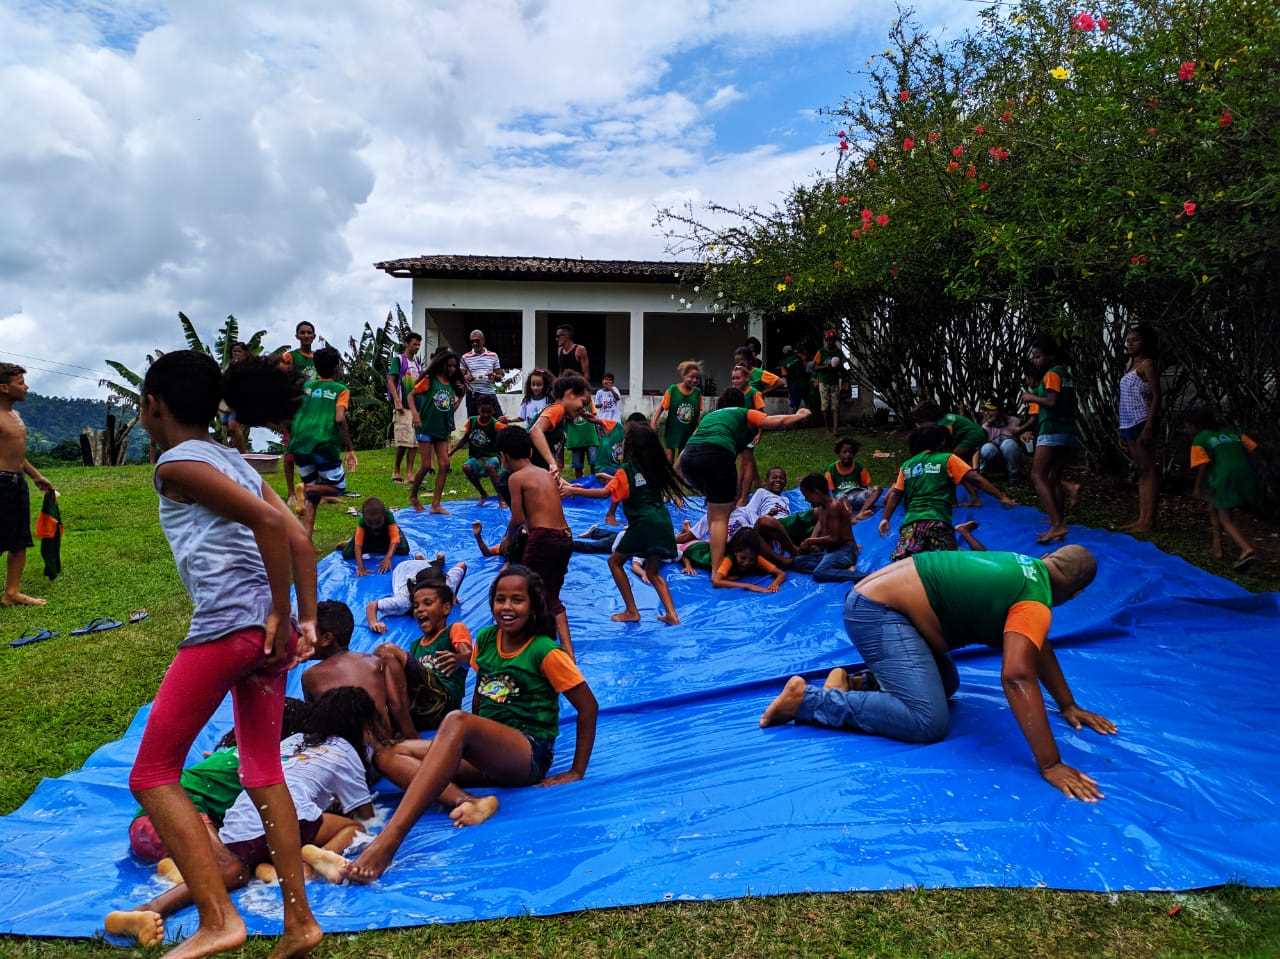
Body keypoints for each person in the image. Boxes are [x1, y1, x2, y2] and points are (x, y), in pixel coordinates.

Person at [120, 350, 322, 957]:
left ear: (153, 404)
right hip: (265, 639)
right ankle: (299, 923)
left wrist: (282, 614)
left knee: (152, 774)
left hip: (230, 631)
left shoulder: (175, 464)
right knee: (261, 768)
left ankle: (218, 920)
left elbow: (266, 521)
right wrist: (301, 621)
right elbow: (300, 541)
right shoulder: (232, 460)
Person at [760, 546, 1116, 803]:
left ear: (1049, 558)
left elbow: (1039, 647)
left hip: (882, 604)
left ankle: (855, 682)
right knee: (927, 721)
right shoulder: (1035, 597)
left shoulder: (1025, 568)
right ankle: (808, 700)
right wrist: (1051, 763)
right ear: (1078, 591)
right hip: (878, 611)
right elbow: (1017, 676)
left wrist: (1068, 704)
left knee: (947, 684)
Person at [346, 565, 598, 883]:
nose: (507, 607)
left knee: (457, 721)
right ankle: (470, 802)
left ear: (533, 605)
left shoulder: (545, 651)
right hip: (484, 753)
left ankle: (390, 839)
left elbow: (588, 707)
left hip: (525, 753)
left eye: (517, 600)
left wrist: (577, 771)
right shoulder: (487, 638)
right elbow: (480, 691)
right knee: (387, 754)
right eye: (500, 599)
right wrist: (466, 738)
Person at [106, 688, 379, 949]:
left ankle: (276, 861)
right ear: (363, 727)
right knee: (230, 870)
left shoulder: (287, 744)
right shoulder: (345, 751)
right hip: (189, 809)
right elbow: (366, 816)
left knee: (240, 862)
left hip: (226, 825)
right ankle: (150, 909)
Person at [127, 699, 315, 869]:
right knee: (233, 867)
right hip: (182, 815)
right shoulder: (270, 766)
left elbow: (215, 763)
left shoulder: (231, 753)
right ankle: (172, 869)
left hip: (144, 822)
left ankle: (173, 864)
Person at [678, 388, 810, 576]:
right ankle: (717, 570)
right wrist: (800, 414)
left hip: (690, 464)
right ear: (741, 404)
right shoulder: (742, 412)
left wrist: (673, 478)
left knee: (715, 508)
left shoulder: (708, 418)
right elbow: (777, 421)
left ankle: (710, 530)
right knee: (719, 517)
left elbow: (686, 450)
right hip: (716, 457)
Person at [568, 423, 686, 625]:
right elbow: (633, 483)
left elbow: (605, 493)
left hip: (643, 524)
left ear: (629, 446)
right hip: (662, 522)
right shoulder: (654, 467)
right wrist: (609, 478)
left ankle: (632, 611)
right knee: (653, 571)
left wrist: (574, 490)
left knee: (614, 562)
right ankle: (672, 615)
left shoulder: (626, 471)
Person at [498, 426, 576, 657]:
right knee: (551, 594)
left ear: (503, 457)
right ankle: (568, 652)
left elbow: (519, 517)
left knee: (526, 590)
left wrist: (507, 537)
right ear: (531, 453)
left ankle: (529, 644)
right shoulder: (545, 473)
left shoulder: (516, 478)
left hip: (543, 538)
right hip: (565, 537)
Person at [880, 426, 1011, 560]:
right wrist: (1001, 496)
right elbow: (976, 479)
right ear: (941, 442)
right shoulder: (947, 459)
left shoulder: (907, 465)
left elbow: (896, 493)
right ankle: (963, 532)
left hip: (911, 524)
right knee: (948, 565)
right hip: (937, 521)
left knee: (901, 564)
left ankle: (962, 532)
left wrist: (885, 518)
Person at [285, 346, 358, 536]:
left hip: (299, 443)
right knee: (338, 488)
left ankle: (306, 537)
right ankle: (304, 488)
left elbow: (292, 411)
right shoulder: (340, 390)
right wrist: (350, 448)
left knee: (313, 496)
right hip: (323, 444)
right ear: (337, 367)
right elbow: (340, 418)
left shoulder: (306, 387)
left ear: (316, 367)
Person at [0, 364, 55, 607]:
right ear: (3, 387)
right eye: (20, 382)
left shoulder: (15, 416)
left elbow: (17, 455)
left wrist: (35, 476)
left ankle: (11, 593)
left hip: (16, 482)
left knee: (19, 540)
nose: (26, 386)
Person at [1019, 335, 1081, 544]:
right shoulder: (1066, 374)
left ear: (1050, 356)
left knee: (1037, 475)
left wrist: (1030, 397)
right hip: (1068, 430)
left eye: (1038, 356)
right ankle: (1059, 519)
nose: (1035, 360)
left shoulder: (1052, 374)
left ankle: (1057, 524)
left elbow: (1051, 402)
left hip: (1052, 428)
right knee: (1054, 477)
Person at [1188, 407, 1261, 569]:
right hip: (1245, 473)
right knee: (1217, 505)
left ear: (1195, 425)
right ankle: (1217, 547)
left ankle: (1246, 549)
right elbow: (1254, 448)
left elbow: (1202, 465)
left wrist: (1197, 487)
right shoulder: (1232, 431)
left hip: (1223, 477)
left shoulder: (1200, 439)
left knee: (1224, 518)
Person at [410, 350, 466, 515]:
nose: (452, 369)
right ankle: (413, 496)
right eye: (449, 365)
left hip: (441, 429)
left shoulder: (451, 385)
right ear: (441, 364)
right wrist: (415, 414)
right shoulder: (429, 380)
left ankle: (436, 503)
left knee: (444, 464)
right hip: (425, 427)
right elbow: (410, 396)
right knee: (426, 465)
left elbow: (450, 408)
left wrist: (461, 397)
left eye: (454, 366)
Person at [1119, 324, 1162, 533]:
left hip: (1140, 421)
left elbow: (1156, 395)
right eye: (1128, 340)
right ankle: (1141, 518)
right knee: (1142, 471)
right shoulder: (1130, 364)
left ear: (1145, 342)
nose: (1130, 343)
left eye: (1134, 340)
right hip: (1127, 423)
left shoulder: (1147, 364)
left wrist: (1149, 425)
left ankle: (1148, 520)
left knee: (1148, 470)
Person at [366, 552, 467, 634]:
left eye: (428, 603)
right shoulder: (403, 601)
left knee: (433, 568)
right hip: (404, 568)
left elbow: (462, 565)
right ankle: (421, 560)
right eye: (422, 604)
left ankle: (424, 560)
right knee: (429, 567)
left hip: (424, 567)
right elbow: (372, 605)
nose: (421, 610)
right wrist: (373, 623)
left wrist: (453, 596)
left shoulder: (448, 585)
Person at [787, 474, 862, 582]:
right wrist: (812, 543)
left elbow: (834, 538)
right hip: (829, 551)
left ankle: (862, 576)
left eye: (807, 496)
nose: (806, 500)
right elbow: (821, 526)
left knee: (819, 573)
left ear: (817, 493)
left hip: (845, 551)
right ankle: (835, 568)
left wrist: (810, 541)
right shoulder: (821, 508)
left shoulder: (834, 506)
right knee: (796, 562)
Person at [913, 402, 988, 507]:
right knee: (958, 467)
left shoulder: (944, 422)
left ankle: (963, 498)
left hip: (972, 437)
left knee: (952, 466)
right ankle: (971, 493)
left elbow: (945, 441)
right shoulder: (945, 418)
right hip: (972, 436)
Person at [529, 374, 591, 476]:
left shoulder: (562, 415)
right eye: (583, 403)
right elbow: (535, 431)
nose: (583, 409)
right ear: (570, 394)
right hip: (527, 472)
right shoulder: (558, 409)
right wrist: (552, 463)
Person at [693, 527, 786, 593]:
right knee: (692, 547)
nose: (746, 563)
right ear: (735, 552)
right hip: (700, 552)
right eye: (743, 558)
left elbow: (781, 573)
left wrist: (775, 584)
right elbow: (716, 581)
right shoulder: (729, 559)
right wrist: (748, 586)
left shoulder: (756, 557)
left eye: (751, 560)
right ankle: (688, 529)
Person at [451, 395, 506, 503]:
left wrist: (505, 458)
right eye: (482, 412)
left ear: (493, 411)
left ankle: (501, 497)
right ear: (478, 409)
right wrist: (451, 452)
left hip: (492, 457)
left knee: (489, 466)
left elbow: (503, 443)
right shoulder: (472, 421)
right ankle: (483, 493)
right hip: (476, 458)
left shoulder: (496, 425)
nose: (485, 415)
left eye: (488, 412)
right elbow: (464, 439)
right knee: (466, 467)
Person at [335, 496, 409, 575]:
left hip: (385, 537)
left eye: (378, 522)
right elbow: (358, 545)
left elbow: (394, 539)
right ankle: (349, 543)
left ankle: (380, 546)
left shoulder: (389, 517)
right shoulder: (362, 522)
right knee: (347, 554)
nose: (374, 526)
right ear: (364, 517)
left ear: (384, 515)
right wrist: (360, 567)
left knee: (404, 549)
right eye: (370, 523)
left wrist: (388, 557)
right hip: (369, 538)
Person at [386, 331, 423, 484]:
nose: (417, 347)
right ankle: (396, 470)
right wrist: (397, 401)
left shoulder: (418, 364)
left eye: (419, 344)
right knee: (403, 441)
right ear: (407, 344)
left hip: (416, 407)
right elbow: (390, 380)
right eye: (414, 344)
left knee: (414, 442)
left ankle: (409, 472)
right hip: (403, 406)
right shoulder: (398, 360)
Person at [651, 361, 703, 464]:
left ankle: (678, 478)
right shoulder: (673, 390)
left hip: (688, 432)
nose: (694, 380)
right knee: (669, 456)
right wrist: (653, 422)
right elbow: (661, 408)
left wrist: (698, 428)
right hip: (673, 431)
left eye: (697, 378)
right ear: (683, 375)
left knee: (682, 459)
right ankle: (668, 477)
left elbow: (698, 413)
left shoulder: (697, 393)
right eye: (691, 377)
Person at [825, 436, 881, 516]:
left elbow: (866, 485)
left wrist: (870, 492)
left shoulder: (859, 467)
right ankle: (849, 513)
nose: (847, 455)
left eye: (850, 452)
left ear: (854, 454)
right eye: (844, 452)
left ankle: (862, 512)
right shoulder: (831, 469)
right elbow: (830, 490)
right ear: (838, 453)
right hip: (842, 497)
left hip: (858, 495)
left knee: (877, 489)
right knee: (842, 498)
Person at [460, 329, 504, 418]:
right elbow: (459, 377)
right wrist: (466, 377)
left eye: (477, 341)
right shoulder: (465, 357)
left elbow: (500, 376)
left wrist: (495, 377)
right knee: (473, 423)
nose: (475, 343)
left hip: (489, 393)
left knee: (499, 421)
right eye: (472, 341)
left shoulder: (493, 356)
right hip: (473, 395)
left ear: (483, 340)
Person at [978, 401, 1026, 482]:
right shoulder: (986, 427)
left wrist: (1024, 434)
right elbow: (978, 449)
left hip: (1012, 461)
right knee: (987, 448)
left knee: (1009, 444)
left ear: (999, 411)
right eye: (985, 410)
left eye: (990, 410)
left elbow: (1025, 436)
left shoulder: (1014, 421)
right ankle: (990, 474)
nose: (986, 413)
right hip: (996, 463)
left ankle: (1015, 478)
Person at [810, 329, 845, 434]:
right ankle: (827, 428)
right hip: (824, 382)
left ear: (835, 340)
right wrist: (827, 366)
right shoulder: (821, 352)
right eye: (828, 340)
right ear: (826, 340)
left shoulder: (838, 352)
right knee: (825, 406)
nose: (830, 342)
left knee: (835, 406)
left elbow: (842, 367)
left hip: (834, 382)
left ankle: (835, 429)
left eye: (832, 340)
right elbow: (814, 367)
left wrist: (842, 374)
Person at [564, 392, 600, 479]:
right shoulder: (568, 403)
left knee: (594, 462)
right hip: (576, 439)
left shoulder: (589, 400)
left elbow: (594, 415)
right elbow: (565, 417)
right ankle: (579, 483)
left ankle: (594, 482)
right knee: (577, 465)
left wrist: (582, 412)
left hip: (590, 438)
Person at [780, 344, 809, 413]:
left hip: (794, 385)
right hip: (804, 383)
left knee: (795, 405)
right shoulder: (799, 357)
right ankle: (810, 421)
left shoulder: (783, 362)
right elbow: (805, 367)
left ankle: (795, 421)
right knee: (807, 403)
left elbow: (784, 375)